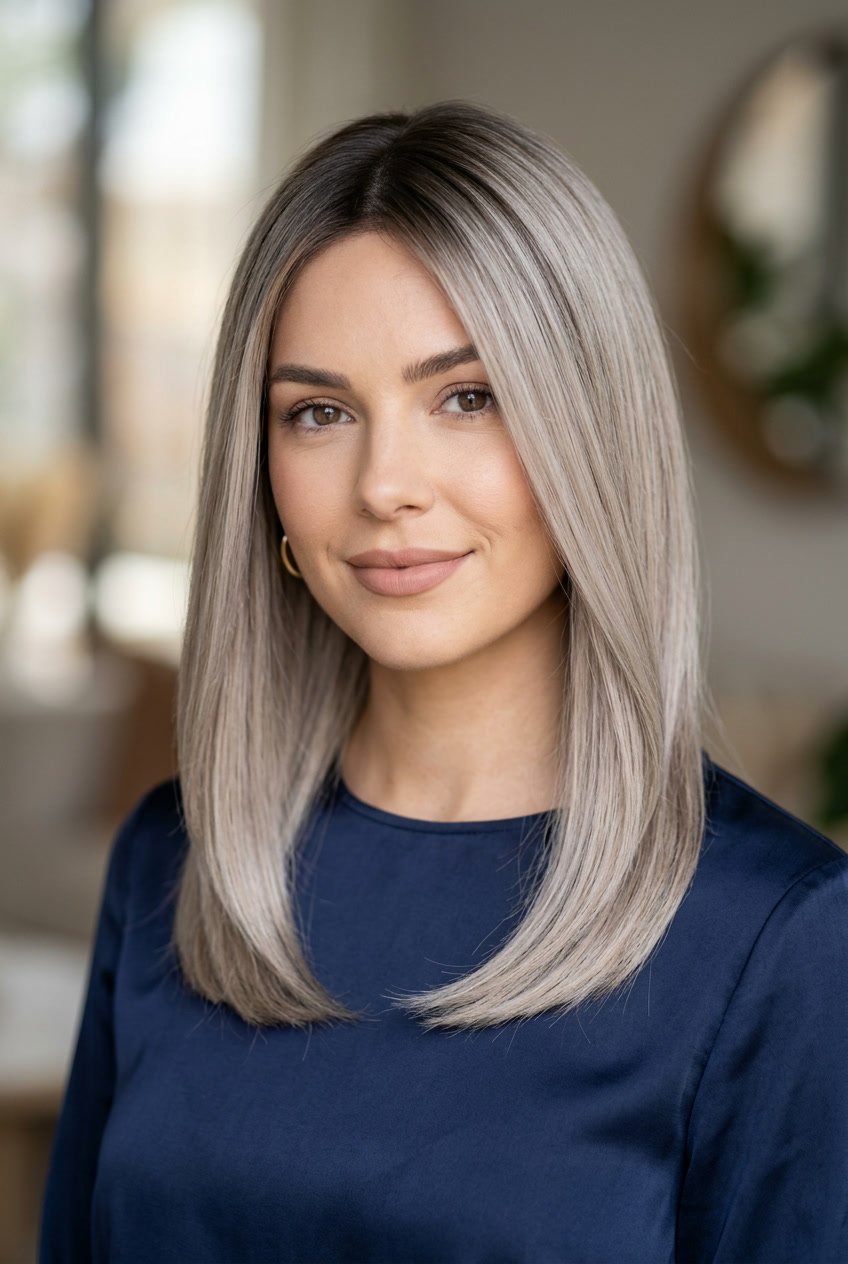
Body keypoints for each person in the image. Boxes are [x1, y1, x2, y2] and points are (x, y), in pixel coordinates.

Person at [39, 99, 848, 1264]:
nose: (385, 484)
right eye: (318, 413)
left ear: (588, 429)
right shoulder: (176, 859)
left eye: (464, 396)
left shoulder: (781, 935)